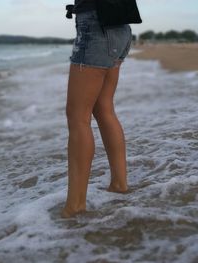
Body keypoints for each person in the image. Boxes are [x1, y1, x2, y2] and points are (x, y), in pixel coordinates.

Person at [61, 0, 133, 218]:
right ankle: (119, 184)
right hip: (120, 27)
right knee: (103, 108)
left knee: (78, 117)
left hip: (95, 25)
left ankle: (75, 206)